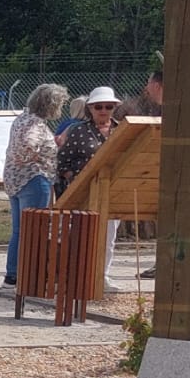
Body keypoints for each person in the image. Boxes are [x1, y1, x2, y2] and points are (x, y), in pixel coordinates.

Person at [3, 83, 68, 288]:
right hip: (34, 180)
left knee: (19, 231)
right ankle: (30, 276)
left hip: (14, 180)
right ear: (51, 105)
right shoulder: (36, 125)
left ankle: (12, 275)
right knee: (34, 230)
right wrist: (37, 157)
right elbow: (29, 144)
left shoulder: (22, 118)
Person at [57, 86, 119, 292]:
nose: (103, 110)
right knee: (82, 235)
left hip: (112, 191)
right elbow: (62, 161)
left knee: (108, 237)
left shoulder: (121, 130)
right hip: (84, 192)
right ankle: (78, 277)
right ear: (90, 108)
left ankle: (103, 276)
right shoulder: (78, 131)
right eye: (98, 107)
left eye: (108, 106)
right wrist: (75, 180)